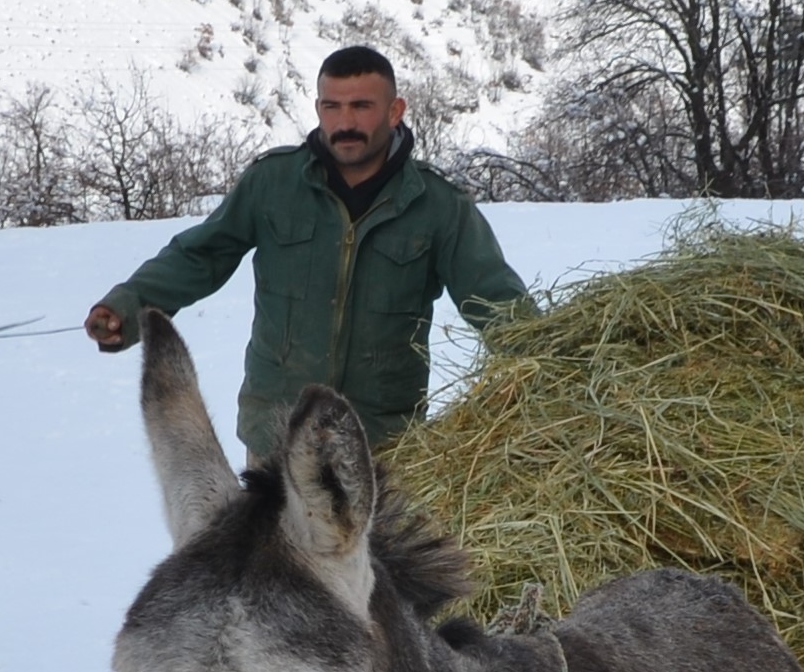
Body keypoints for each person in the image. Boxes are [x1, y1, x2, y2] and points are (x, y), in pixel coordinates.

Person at [85, 44, 528, 460]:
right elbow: (201, 255)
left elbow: (492, 295)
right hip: (278, 438)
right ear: (318, 109)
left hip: (383, 447)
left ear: (395, 111)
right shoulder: (273, 184)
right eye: (331, 106)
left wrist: (551, 360)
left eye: (361, 106)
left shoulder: (437, 205)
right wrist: (128, 305)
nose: (344, 122)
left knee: (380, 548)